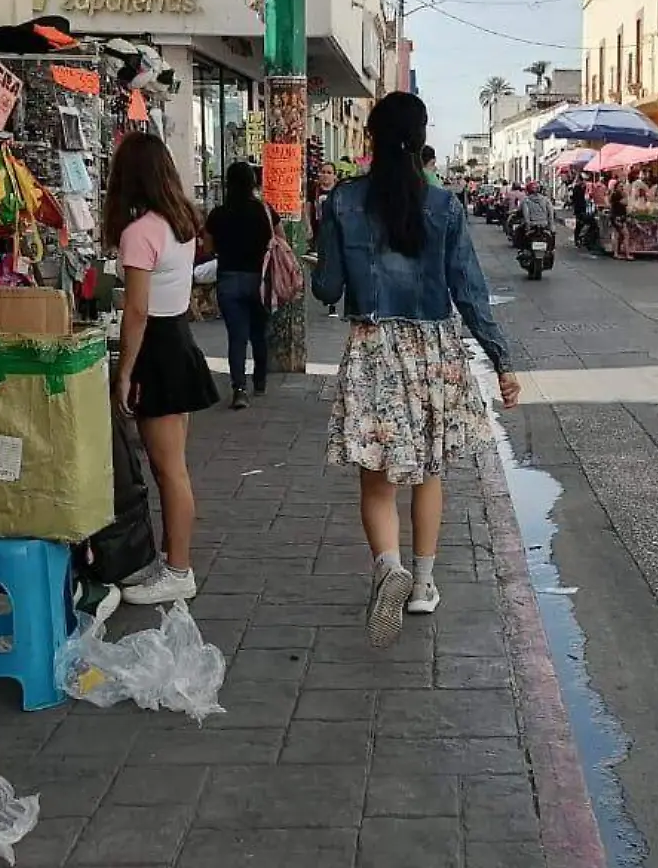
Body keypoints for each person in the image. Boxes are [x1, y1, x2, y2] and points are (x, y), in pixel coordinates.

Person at [314, 91, 519, 647]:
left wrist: (328, 255)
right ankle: (424, 585)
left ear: (370, 138)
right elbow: (470, 291)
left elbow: (327, 288)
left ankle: (389, 566)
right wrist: (501, 360)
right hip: (433, 351)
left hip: (373, 347)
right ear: (422, 138)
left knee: (376, 479)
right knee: (429, 470)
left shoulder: (342, 201)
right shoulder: (446, 206)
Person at [106, 133, 222, 605]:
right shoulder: (181, 225)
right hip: (178, 340)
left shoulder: (140, 233)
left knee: (169, 470)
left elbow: (135, 310)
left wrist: (124, 371)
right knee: (171, 467)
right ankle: (173, 561)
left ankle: (179, 569)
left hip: (156, 345)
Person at [207, 161, 275, 408]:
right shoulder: (264, 211)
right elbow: (279, 240)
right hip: (259, 280)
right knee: (259, 334)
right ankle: (260, 382)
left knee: (237, 337)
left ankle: (239, 389)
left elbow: (207, 247)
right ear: (252, 183)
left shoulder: (218, 214)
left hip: (228, 280)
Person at [314, 162, 341, 317]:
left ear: (334, 176)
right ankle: (323, 290)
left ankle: (332, 302)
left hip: (333, 232)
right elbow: (309, 208)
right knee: (320, 263)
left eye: (329, 172)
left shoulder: (338, 192)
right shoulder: (315, 190)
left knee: (331, 265)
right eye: (323, 171)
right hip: (319, 231)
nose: (325, 175)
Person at [609, 173, 633, 261]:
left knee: (617, 235)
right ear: (616, 187)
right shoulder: (617, 195)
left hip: (616, 216)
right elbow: (625, 202)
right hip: (618, 217)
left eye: (622, 186)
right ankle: (627, 254)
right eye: (620, 186)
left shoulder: (614, 194)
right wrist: (626, 195)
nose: (622, 188)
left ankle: (616, 253)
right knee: (626, 234)